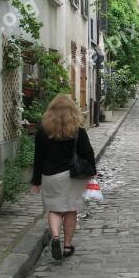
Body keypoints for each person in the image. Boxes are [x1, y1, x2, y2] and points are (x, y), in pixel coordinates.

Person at [32, 94, 96, 260]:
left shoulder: (42, 130)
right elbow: (88, 152)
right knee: (70, 210)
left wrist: (36, 181)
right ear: (72, 110)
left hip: (50, 176)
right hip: (72, 177)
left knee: (54, 209)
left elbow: (38, 157)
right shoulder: (77, 130)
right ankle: (67, 246)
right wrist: (92, 173)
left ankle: (55, 238)